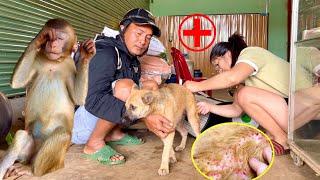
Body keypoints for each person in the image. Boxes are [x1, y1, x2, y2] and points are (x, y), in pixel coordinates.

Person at [71, 8, 174, 165]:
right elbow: (94, 100)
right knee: (127, 88)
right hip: (77, 125)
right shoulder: (105, 52)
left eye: (148, 37)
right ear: (122, 28)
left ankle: (114, 133)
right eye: (138, 34)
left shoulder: (131, 58)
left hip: (94, 118)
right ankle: (94, 144)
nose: (143, 41)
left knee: (150, 86)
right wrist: (146, 117)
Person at [184, 33, 291, 156]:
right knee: (243, 95)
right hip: (288, 112)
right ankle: (279, 135)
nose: (219, 71)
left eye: (217, 65)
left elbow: (231, 78)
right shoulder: (243, 81)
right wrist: (210, 107)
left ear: (228, 54)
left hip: (298, 109)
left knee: (245, 94)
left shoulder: (250, 53)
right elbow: (236, 110)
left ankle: (282, 140)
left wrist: (197, 85)